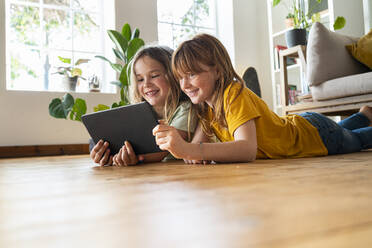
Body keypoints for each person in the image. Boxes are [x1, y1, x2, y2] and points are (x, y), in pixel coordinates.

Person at [152, 33, 372, 163]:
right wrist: (177, 143)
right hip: (308, 124)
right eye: (180, 77)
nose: (185, 85)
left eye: (192, 74)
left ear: (217, 70)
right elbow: (196, 150)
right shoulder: (206, 108)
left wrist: (190, 149)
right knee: (344, 129)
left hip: (315, 136)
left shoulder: (232, 93)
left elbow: (246, 149)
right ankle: (364, 114)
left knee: (357, 141)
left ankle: (362, 120)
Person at [90, 45, 197, 166]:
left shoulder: (186, 109)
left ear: (174, 75)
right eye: (140, 79)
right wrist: (105, 154)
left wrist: (133, 157)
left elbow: (163, 149)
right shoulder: (137, 115)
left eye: (154, 76)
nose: (146, 84)